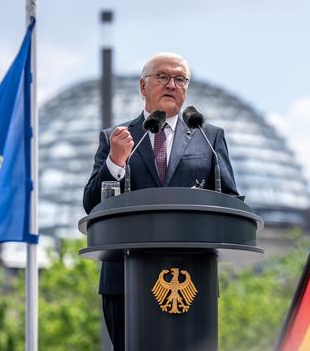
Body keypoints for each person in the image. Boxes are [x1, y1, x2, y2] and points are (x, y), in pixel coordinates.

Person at [83, 52, 238, 350]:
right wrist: (115, 162)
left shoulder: (210, 138)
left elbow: (230, 197)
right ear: (143, 86)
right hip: (125, 282)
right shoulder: (118, 138)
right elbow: (92, 204)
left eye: (180, 79)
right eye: (163, 77)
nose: (172, 85)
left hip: (193, 281)